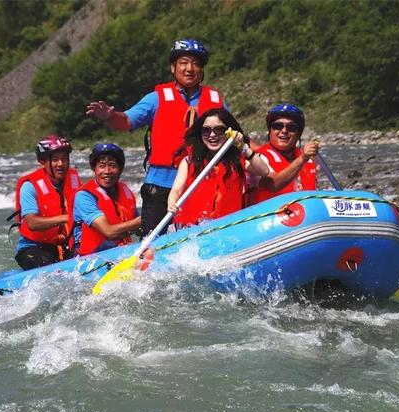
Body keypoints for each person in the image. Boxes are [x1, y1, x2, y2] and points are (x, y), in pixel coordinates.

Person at [86, 38, 225, 235]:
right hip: (160, 186)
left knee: (198, 238)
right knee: (150, 241)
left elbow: (234, 135)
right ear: (173, 67)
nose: (189, 68)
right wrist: (109, 116)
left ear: (202, 70)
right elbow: (126, 121)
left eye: (195, 63)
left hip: (199, 183)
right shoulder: (157, 98)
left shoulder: (214, 100)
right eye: (183, 63)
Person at [167, 108, 269, 227]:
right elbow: (176, 190)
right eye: (206, 130)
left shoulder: (238, 161)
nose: (212, 135)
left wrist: (244, 148)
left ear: (228, 132)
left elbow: (264, 171)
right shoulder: (189, 161)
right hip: (192, 228)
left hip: (227, 227)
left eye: (219, 130)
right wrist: (171, 203)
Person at [13, 135, 82, 270]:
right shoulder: (29, 186)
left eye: (64, 158)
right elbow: (32, 223)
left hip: (66, 244)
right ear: (43, 161)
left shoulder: (73, 179)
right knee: (46, 262)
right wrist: (67, 218)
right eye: (55, 159)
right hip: (33, 247)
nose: (61, 164)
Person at [73, 143, 141, 256]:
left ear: (120, 169)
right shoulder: (84, 196)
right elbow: (109, 232)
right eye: (102, 166)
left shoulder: (126, 191)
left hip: (119, 253)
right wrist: (142, 220)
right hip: (89, 259)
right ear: (94, 169)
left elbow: (139, 227)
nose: (107, 171)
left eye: (112, 165)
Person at [247, 104, 319, 204]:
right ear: (270, 131)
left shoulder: (309, 160)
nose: (284, 131)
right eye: (277, 126)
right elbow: (273, 184)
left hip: (307, 216)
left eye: (291, 128)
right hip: (269, 217)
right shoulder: (259, 158)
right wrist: (302, 158)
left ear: (299, 133)